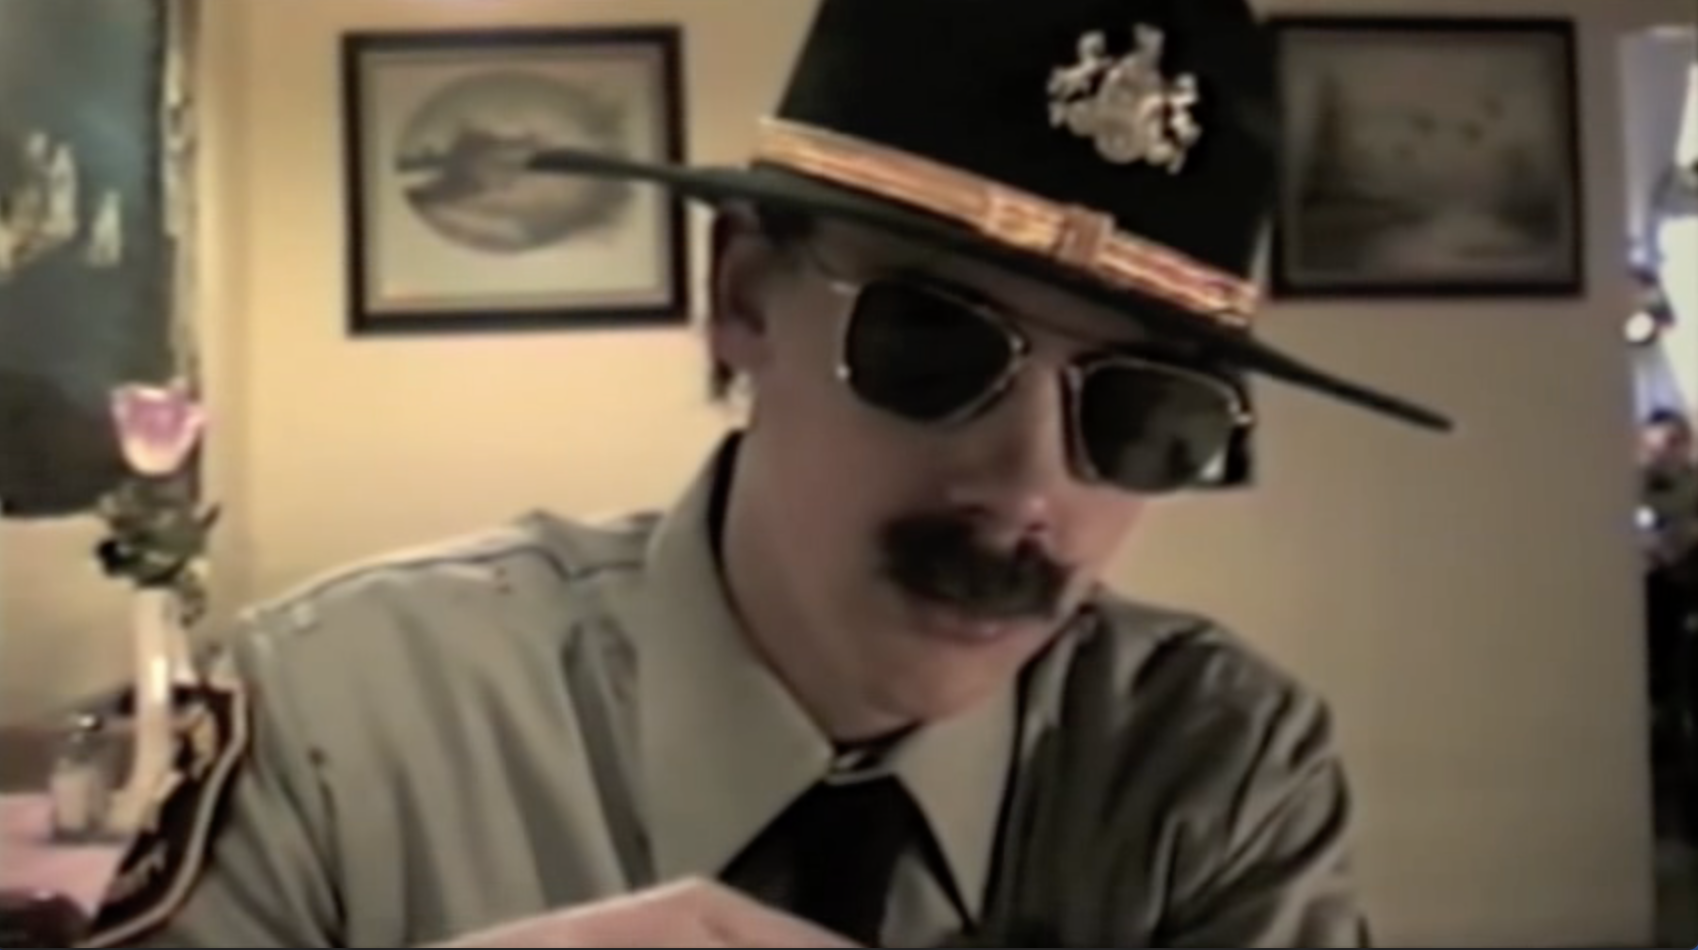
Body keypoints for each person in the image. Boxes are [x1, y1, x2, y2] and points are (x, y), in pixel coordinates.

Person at [82, 0, 1451, 946]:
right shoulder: (337, 725)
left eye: (1142, 410)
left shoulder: (1211, 765)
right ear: (742, 299)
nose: (1026, 484)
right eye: (933, 342)